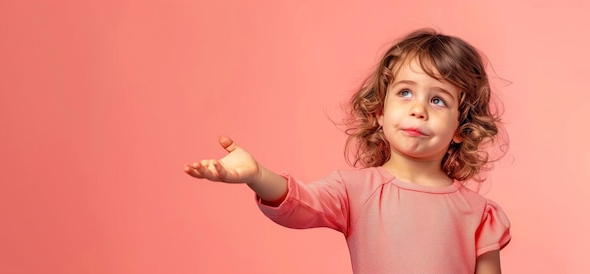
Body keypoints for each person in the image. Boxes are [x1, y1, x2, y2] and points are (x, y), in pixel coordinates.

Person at [183, 29, 511, 273]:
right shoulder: (355, 190)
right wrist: (256, 175)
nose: (418, 110)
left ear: (461, 127)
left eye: (438, 99)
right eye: (406, 93)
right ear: (380, 111)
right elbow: (299, 202)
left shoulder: (479, 213)